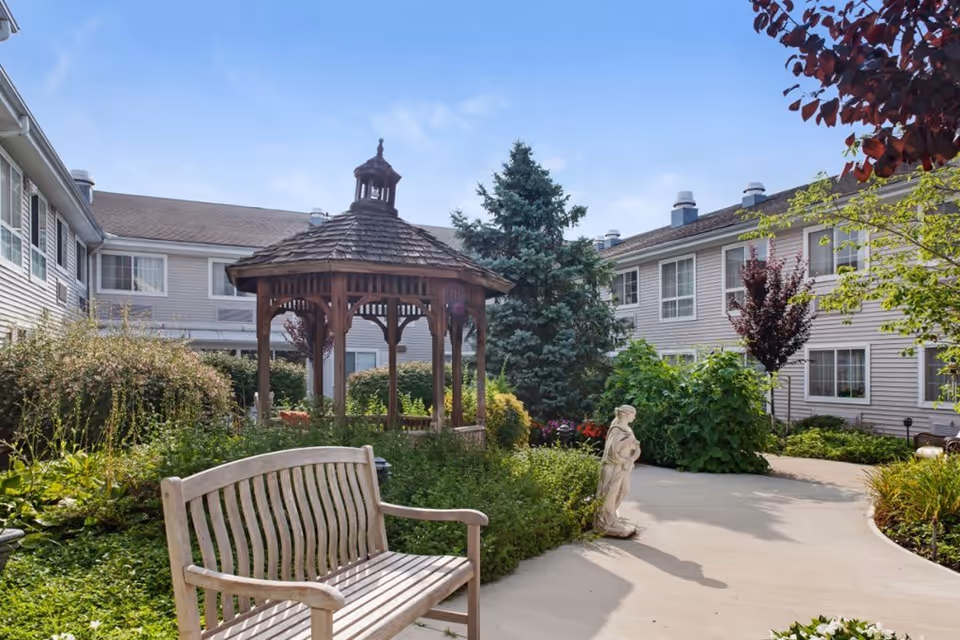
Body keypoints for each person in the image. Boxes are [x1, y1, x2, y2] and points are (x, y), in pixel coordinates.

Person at [595, 404, 641, 537]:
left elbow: (635, 448)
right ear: (627, 414)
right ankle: (606, 522)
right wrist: (628, 443)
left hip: (624, 466)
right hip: (613, 466)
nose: (635, 416)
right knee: (609, 495)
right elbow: (611, 452)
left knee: (623, 490)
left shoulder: (628, 429)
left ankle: (612, 516)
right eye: (633, 414)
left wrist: (631, 458)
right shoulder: (616, 429)